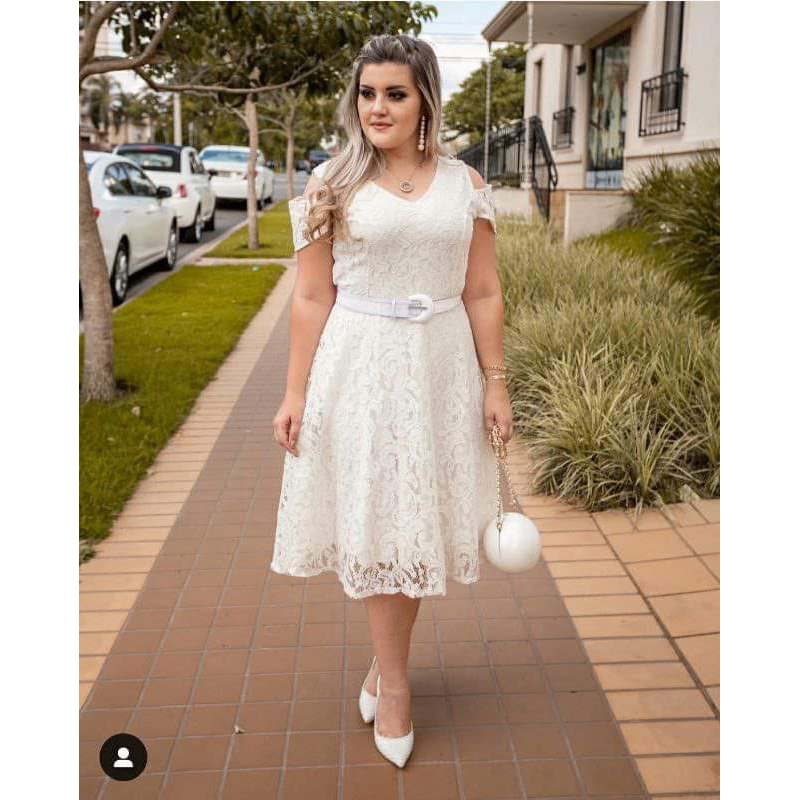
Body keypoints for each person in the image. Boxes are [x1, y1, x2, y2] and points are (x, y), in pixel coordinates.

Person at [270, 34, 513, 768]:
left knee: (417, 522)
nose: (377, 107)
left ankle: (385, 666)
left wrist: (496, 381)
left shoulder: (465, 184)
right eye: (368, 94)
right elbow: (311, 296)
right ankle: (397, 687)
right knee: (384, 523)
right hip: (361, 369)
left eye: (395, 94)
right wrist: (294, 391)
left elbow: (483, 290)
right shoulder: (331, 183)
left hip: (441, 368)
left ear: (425, 100)